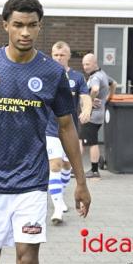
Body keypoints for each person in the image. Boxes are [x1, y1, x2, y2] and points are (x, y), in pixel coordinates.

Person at [0, 0, 91, 264]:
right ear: (5, 25)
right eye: (18, 24)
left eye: (32, 25)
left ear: (40, 26)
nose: (25, 32)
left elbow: (67, 127)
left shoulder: (53, 73)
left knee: (27, 259)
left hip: (31, 182)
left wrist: (80, 181)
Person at [46, 41, 92, 225]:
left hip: (70, 130)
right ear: (51, 55)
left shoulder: (77, 77)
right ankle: (57, 207)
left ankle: (61, 195)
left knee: (66, 166)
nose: (58, 58)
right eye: (55, 55)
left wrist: (87, 110)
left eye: (62, 55)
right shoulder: (45, 75)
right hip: (49, 129)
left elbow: (86, 97)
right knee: (55, 165)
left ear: (68, 56)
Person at [80, 53, 117, 178]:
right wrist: (109, 97)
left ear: (95, 63)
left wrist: (89, 102)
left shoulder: (95, 77)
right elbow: (114, 84)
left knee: (89, 142)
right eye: (84, 64)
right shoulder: (103, 74)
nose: (85, 67)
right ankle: (87, 169)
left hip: (92, 115)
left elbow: (95, 89)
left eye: (88, 64)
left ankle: (93, 171)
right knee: (87, 141)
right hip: (98, 114)